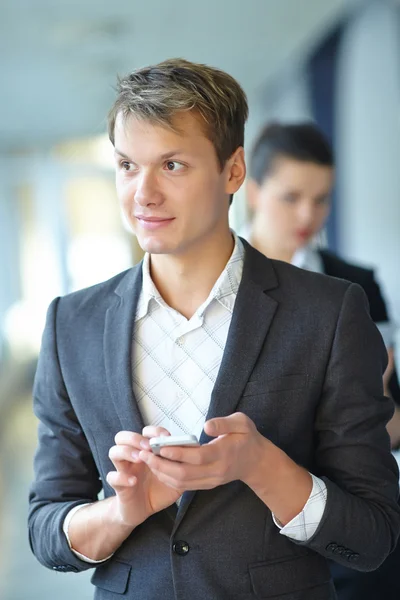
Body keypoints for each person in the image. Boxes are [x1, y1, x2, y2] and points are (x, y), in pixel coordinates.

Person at [29, 59, 400, 600]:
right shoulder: (71, 323)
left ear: (233, 171)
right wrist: (123, 511)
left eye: (173, 165)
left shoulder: (331, 310)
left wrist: (262, 465)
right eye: (128, 165)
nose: (143, 194)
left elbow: (372, 538)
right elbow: (46, 530)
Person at [245, 120, 400, 599]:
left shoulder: (357, 285)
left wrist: (374, 402)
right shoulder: (219, 284)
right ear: (252, 190)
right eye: (291, 197)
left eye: (321, 199)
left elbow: (390, 422)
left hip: (353, 520)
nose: (307, 214)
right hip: (254, 525)